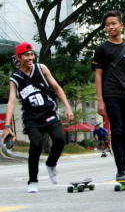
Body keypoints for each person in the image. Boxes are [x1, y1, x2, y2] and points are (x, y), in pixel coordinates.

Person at [1, 42, 74, 193]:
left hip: (48, 113)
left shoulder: (41, 68)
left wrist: (67, 107)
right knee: (36, 144)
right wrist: (7, 126)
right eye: (26, 55)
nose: (30, 57)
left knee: (60, 139)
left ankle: (51, 164)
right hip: (31, 117)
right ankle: (32, 180)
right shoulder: (15, 78)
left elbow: (57, 87)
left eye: (31, 54)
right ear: (19, 57)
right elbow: (11, 101)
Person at [92, 10, 125, 181]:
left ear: (121, 25)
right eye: (107, 25)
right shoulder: (102, 49)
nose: (111, 27)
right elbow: (98, 74)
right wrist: (100, 100)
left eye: (114, 23)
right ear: (105, 28)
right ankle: (120, 170)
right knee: (118, 129)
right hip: (110, 94)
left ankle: (124, 168)